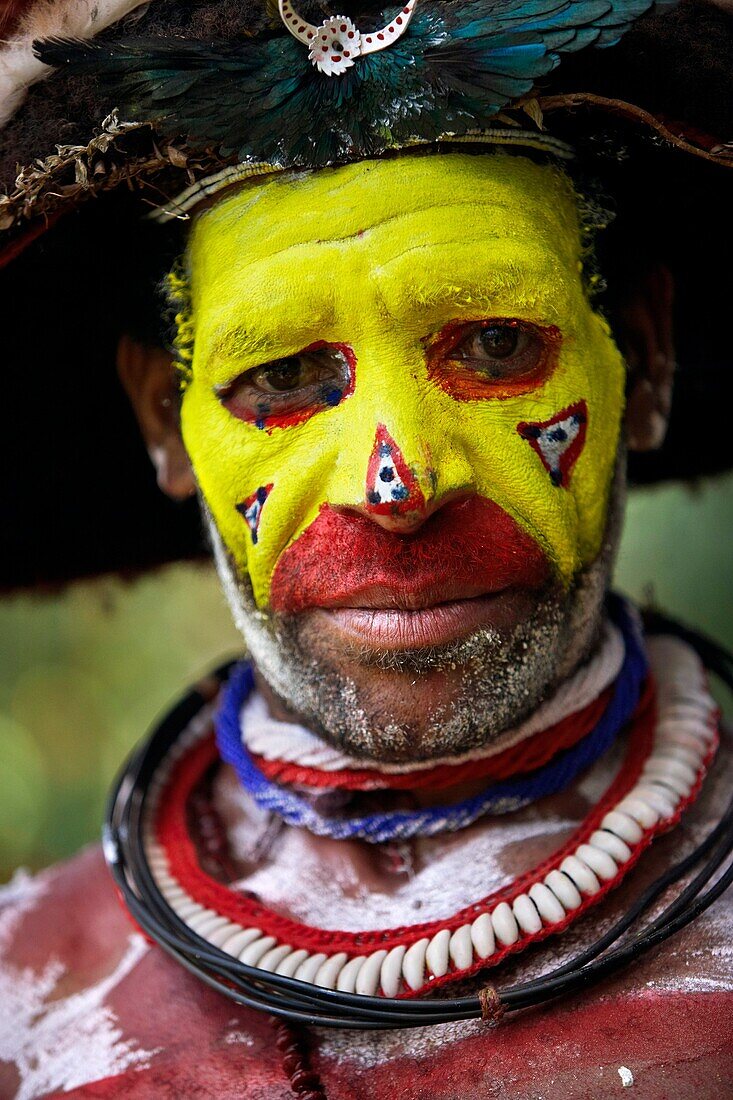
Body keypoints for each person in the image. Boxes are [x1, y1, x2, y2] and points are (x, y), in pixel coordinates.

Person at [1, 1, 732, 1097]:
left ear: (643, 357)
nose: (394, 484)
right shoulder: (26, 993)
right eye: (286, 377)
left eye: (492, 344)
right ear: (164, 419)